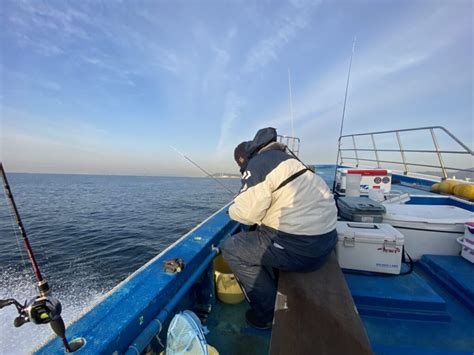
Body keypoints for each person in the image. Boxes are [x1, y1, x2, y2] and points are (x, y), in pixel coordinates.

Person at [221, 127, 338, 329]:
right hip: (326, 244)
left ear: (244, 159)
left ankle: (267, 314)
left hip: (303, 251)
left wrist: (232, 210)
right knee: (262, 234)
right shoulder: (290, 161)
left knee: (232, 248)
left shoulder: (258, 164)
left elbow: (247, 215)